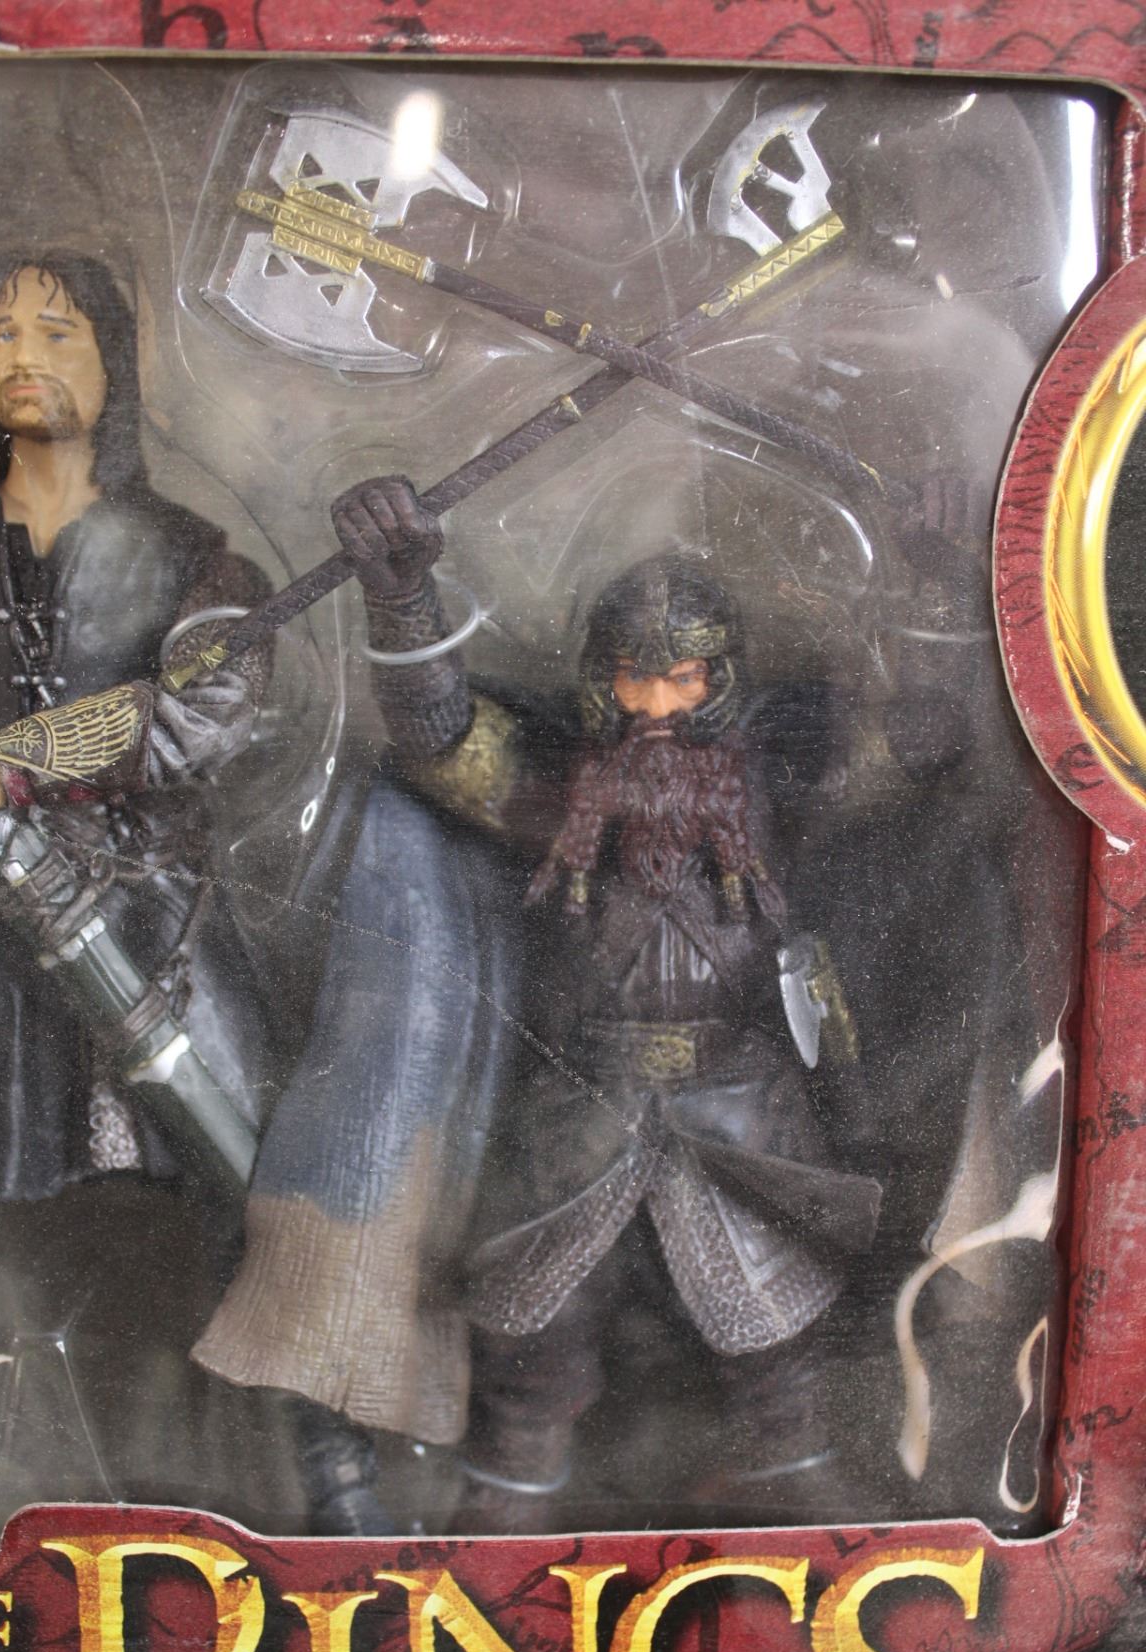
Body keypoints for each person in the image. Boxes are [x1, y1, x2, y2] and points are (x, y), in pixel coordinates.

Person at [327, 474, 883, 1531]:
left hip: (742, 1104)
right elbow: (441, 740)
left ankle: (801, 1487)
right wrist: (401, 598)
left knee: (776, 1347)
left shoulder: (776, 777)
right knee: (534, 1343)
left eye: (683, 679)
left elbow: (912, 740)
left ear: (720, 680)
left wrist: (939, 600)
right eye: (635, 680)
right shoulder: (559, 783)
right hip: (580, 1106)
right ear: (600, 680)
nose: (657, 708)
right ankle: (507, 1497)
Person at [0, 252, 286, 1548]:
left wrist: (7, 763)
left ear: (114, 362)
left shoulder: (194, 557)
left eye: (58, 329)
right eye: (0, 330)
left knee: (209, 1223)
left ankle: (215, 1514)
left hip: (145, 932)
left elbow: (206, 713)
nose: (25, 353)